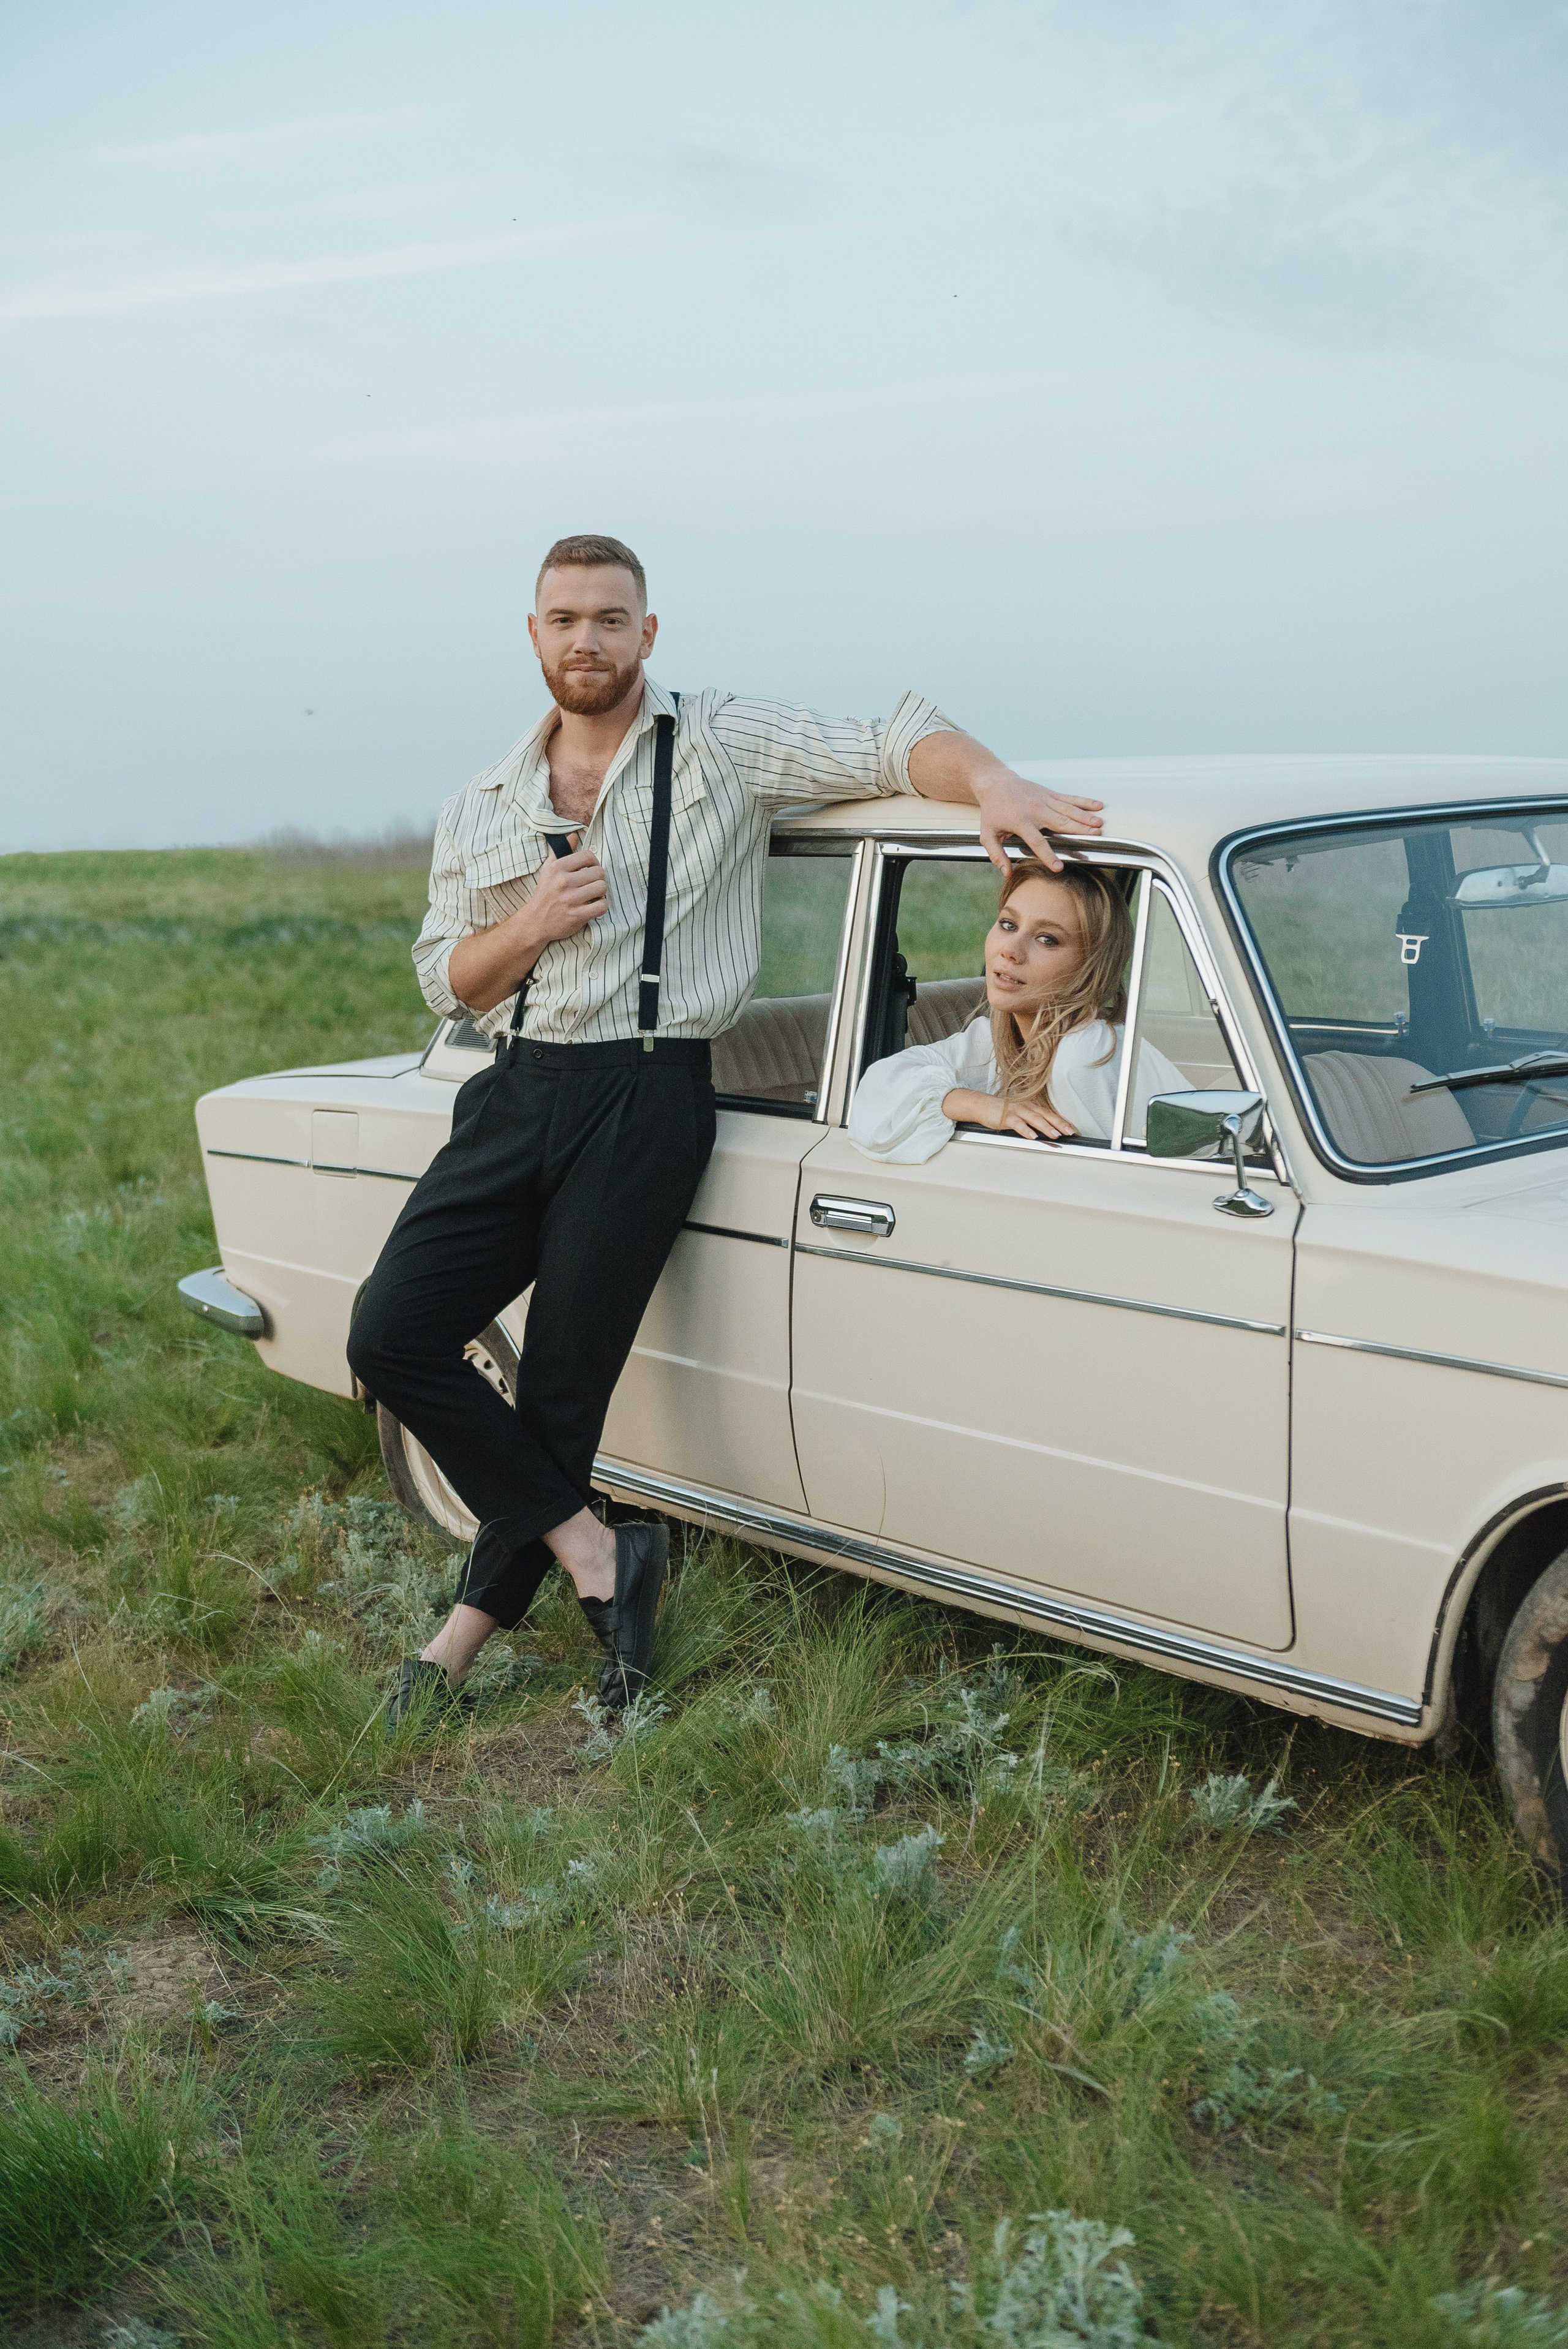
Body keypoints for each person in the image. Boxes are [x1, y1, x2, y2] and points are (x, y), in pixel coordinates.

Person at [349, 534, 1106, 1724]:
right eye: (562, 619)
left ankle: (456, 1642)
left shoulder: (717, 739)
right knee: (389, 1330)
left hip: (647, 1096)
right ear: (533, 636)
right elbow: (450, 980)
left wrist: (994, 782)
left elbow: (890, 737)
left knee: (563, 1385)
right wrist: (535, 921)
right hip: (515, 1088)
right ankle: (600, 1558)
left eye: (609, 618)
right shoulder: (483, 803)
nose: (585, 639)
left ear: (646, 634)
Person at [848, 858, 1183, 1162]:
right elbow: (881, 1087)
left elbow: (1119, 1183)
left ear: (1091, 966)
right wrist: (982, 1105)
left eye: (1047, 939)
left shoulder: (1085, 1054)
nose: (1010, 950)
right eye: (1009, 924)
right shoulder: (997, 1041)